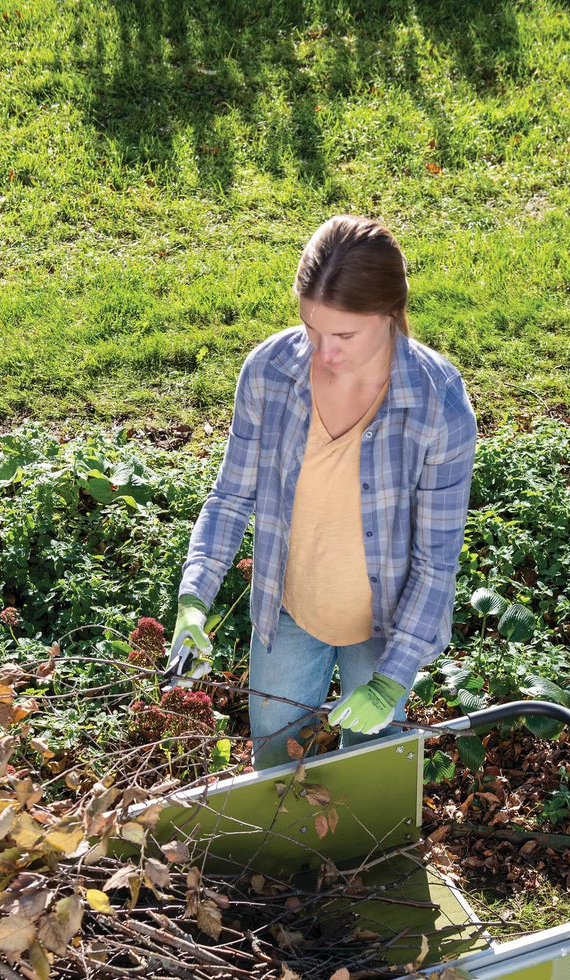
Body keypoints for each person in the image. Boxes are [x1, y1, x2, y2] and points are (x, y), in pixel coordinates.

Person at [170, 215, 476, 770]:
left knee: (371, 771)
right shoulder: (269, 372)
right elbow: (231, 497)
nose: (324, 353)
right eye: (312, 330)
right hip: (290, 609)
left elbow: (436, 564)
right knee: (276, 760)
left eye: (344, 336)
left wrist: (391, 680)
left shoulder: (438, 405)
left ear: (389, 314)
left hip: (385, 627)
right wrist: (195, 599)